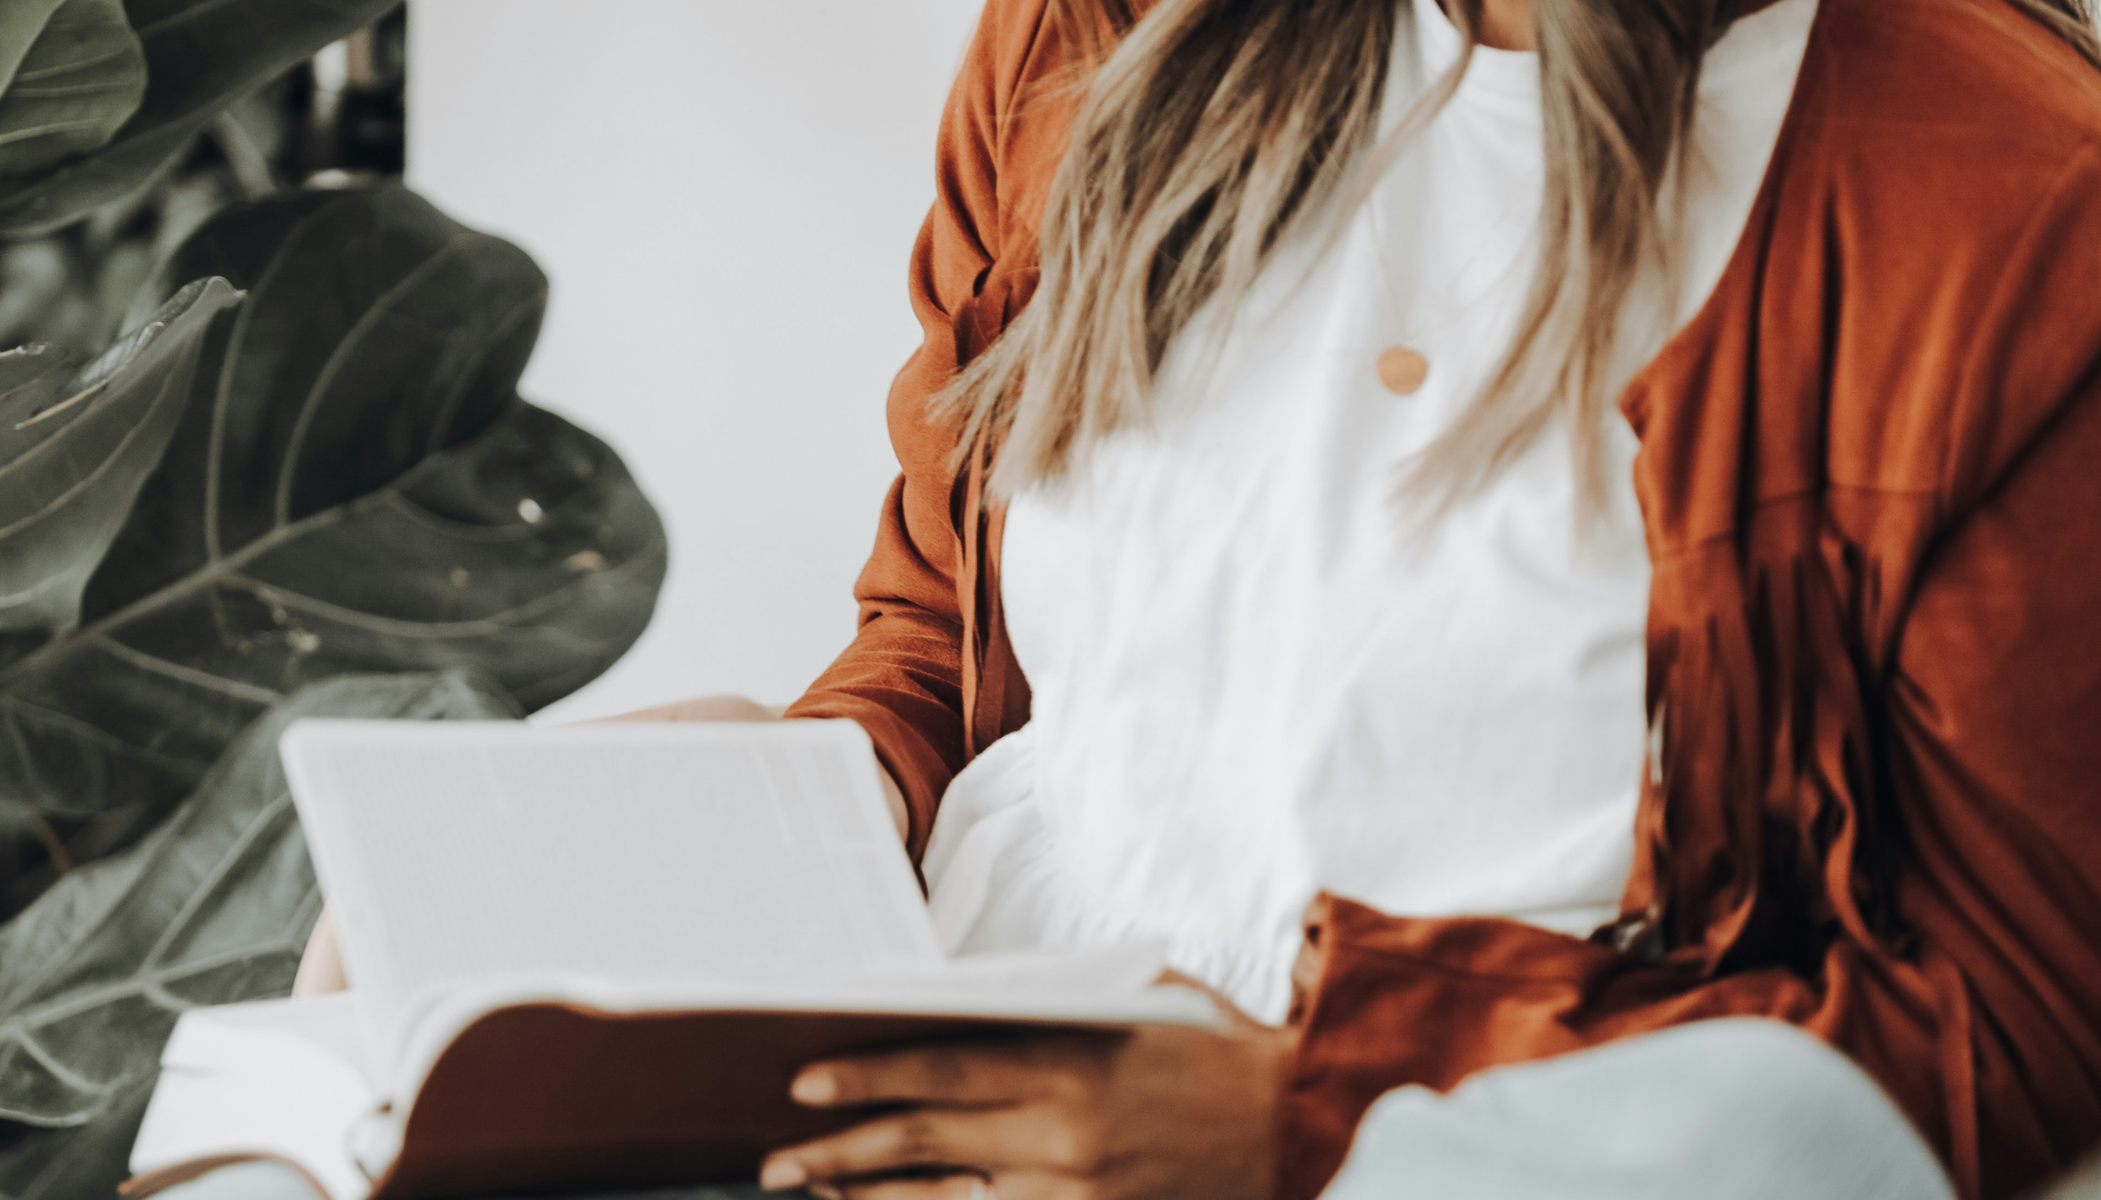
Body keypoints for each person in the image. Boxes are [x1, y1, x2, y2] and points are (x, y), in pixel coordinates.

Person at [283, 0, 2101, 1196]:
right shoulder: (1091, 35)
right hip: (916, 1126)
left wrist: (1319, 1123)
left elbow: (2005, 1026)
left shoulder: (2005, 198)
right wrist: (767, 805)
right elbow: (952, 645)